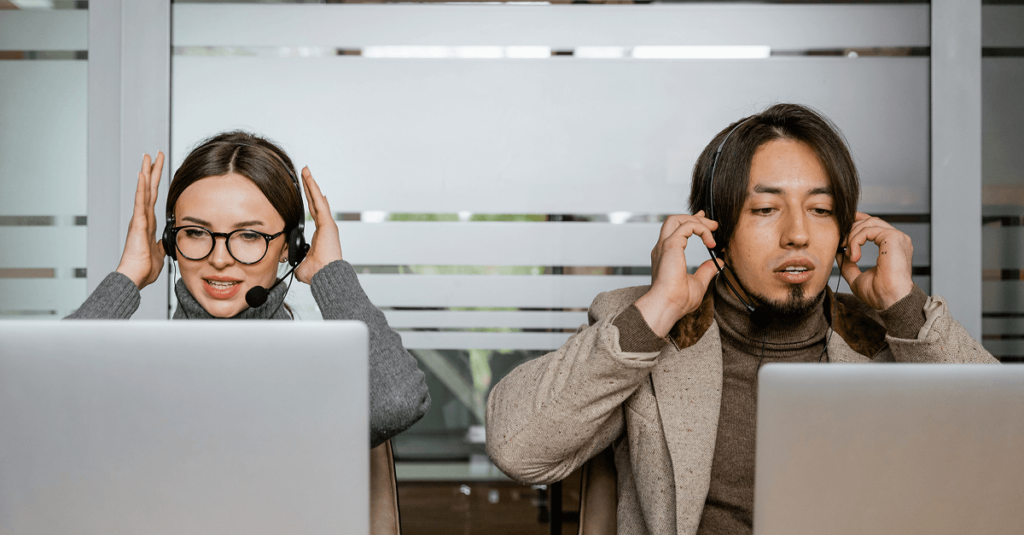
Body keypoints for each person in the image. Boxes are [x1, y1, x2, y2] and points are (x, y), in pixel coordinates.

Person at [485, 104, 996, 535]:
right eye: (765, 210)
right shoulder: (645, 328)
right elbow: (518, 449)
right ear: (715, 229)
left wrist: (903, 306)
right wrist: (659, 308)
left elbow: (1003, 465)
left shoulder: (887, 338)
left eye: (820, 210)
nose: (797, 234)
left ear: (846, 230)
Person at [66, 131, 430, 448]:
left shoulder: (313, 373)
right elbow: (35, 396)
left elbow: (397, 402)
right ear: (171, 240)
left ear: (290, 246)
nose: (220, 259)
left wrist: (330, 273)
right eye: (195, 232)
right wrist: (128, 275)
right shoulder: (133, 370)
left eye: (249, 235)